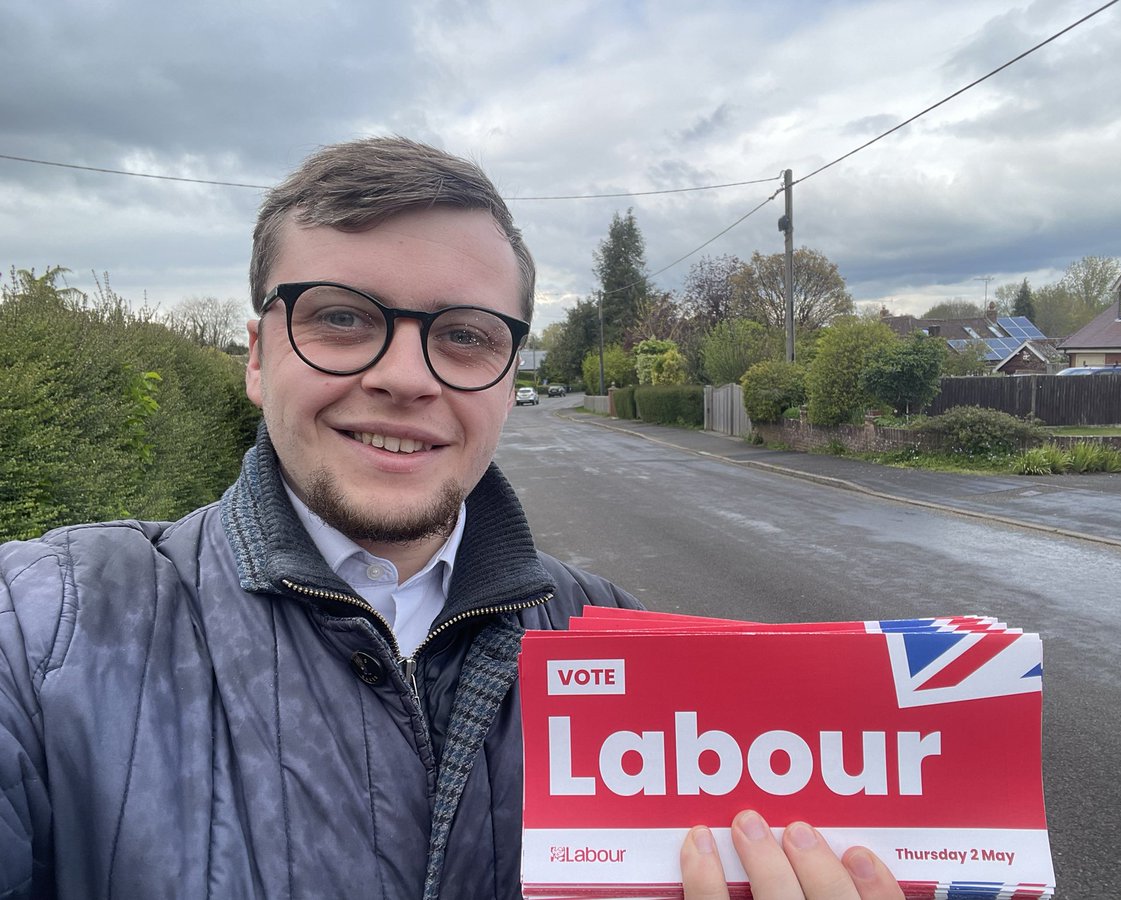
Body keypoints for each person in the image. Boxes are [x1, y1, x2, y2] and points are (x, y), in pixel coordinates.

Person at [0, 136, 899, 899]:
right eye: (344, 318)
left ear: (510, 378)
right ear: (257, 355)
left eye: (466, 335)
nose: (407, 376)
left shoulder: (630, 649)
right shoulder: (43, 631)